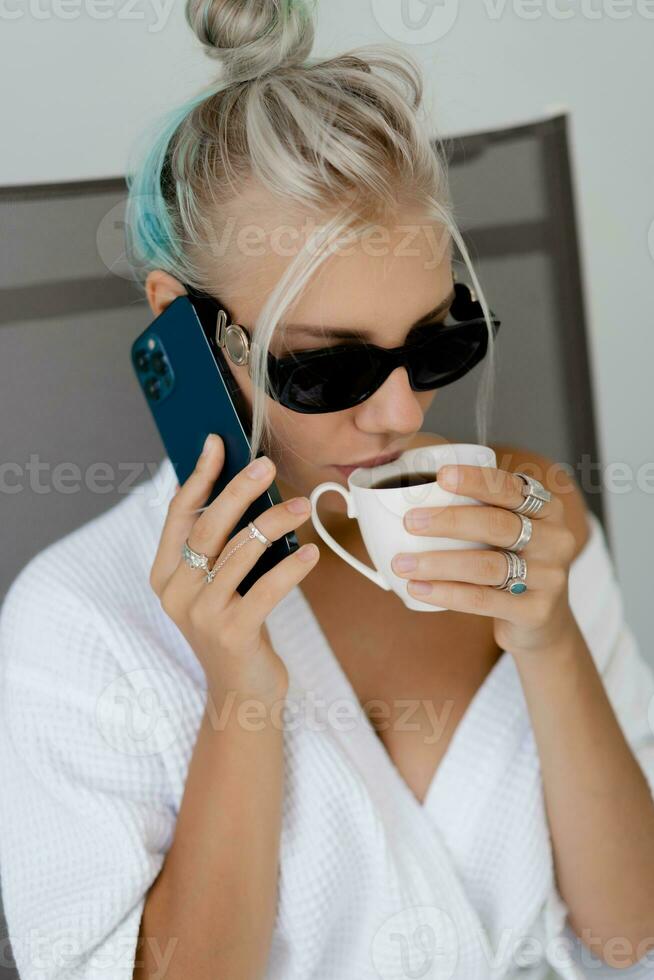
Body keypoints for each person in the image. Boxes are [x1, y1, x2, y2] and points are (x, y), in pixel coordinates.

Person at [1, 2, 653, 978]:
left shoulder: (528, 522)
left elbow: (630, 931)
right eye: (324, 368)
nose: (399, 412)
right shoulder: (76, 623)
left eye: (439, 341)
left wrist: (551, 638)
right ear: (182, 326)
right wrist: (242, 693)